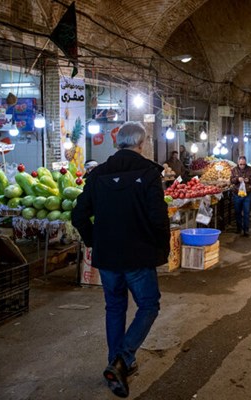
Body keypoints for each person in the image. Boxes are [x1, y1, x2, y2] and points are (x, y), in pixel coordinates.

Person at [71, 121, 170, 398]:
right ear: (142, 143)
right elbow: (158, 218)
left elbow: (78, 216)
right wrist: (162, 249)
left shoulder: (98, 174)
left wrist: (94, 240)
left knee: (115, 308)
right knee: (149, 306)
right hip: (138, 255)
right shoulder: (150, 173)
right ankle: (122, 359)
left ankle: (116, 364)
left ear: (118, 143)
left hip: (108, 256)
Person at [230, 156, 251, 237]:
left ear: (246, 163)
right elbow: (231, 180)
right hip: (237, 194)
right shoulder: (234, 170)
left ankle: (246, 230)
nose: (242, 166)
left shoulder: (250, 169)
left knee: (246, 212)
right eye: (241, 164)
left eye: (244, 164)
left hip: (247, 194)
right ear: (238, 163)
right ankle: (239, 228)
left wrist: (249, 180)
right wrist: (237, 179)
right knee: (237, 212)